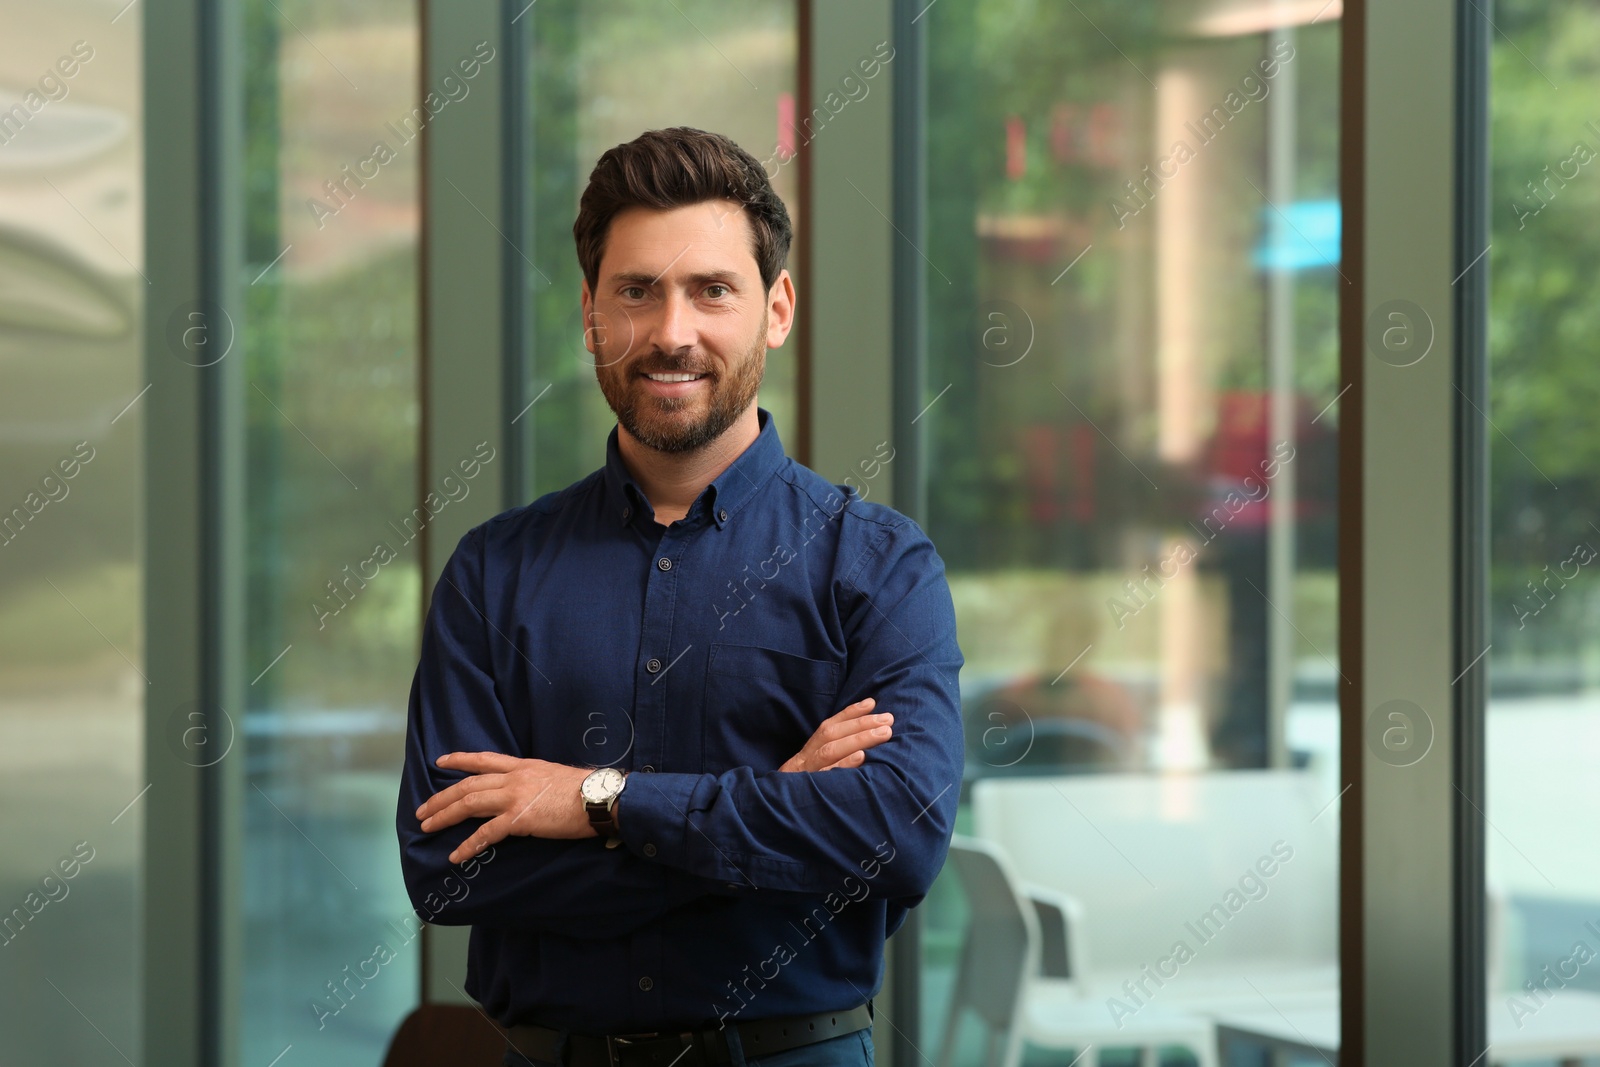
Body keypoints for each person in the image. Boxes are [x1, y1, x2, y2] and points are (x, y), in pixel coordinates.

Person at [396, 126, 965, 1067]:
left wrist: (596, 800)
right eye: (635, 291)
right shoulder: (493, 573)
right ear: (589, 314)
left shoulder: (880, 566)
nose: (670, 332)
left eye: (712, 290)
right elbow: (449, 875)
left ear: (776, 308)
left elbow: (896, 841)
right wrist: (775, 818)